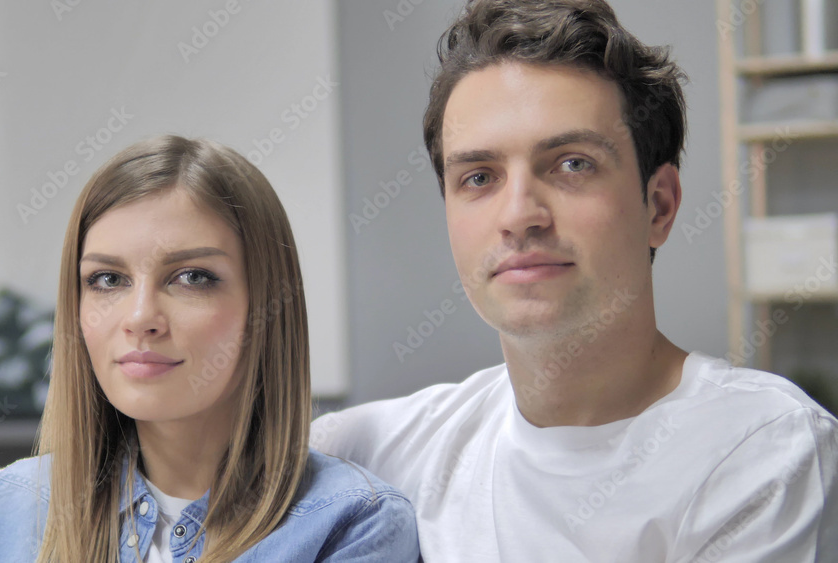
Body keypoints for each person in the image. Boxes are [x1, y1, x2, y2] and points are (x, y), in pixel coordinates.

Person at [311, 1, 838, 561]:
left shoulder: (765, 452)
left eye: (572, 164)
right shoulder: (369, 451)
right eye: (479, 177)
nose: (520, 214)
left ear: (659, 206)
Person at [0, 135, 419, 562]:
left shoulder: (352, 523)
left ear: (267, 307)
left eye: (192, 277)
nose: (140, 317)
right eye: (108, 279)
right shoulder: (1, 508)